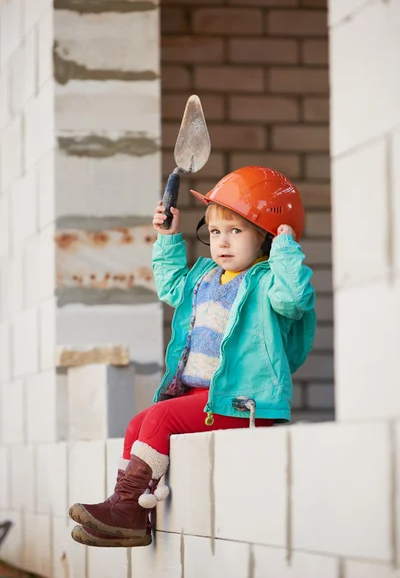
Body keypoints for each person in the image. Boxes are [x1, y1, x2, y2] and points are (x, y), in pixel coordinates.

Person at [69, 166, 316, 548]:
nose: (222, 242)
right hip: (202, 398)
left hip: (241, 402)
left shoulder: (269, 280)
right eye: (215, 231)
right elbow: (170, 286)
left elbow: (293, 299)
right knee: (140, 422)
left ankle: (127, 509)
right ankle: (128, 510)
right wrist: (167, 236)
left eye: (236, 231)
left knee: (162, 416)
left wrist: (286, 249)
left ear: (266, 236)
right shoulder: (205, 279)